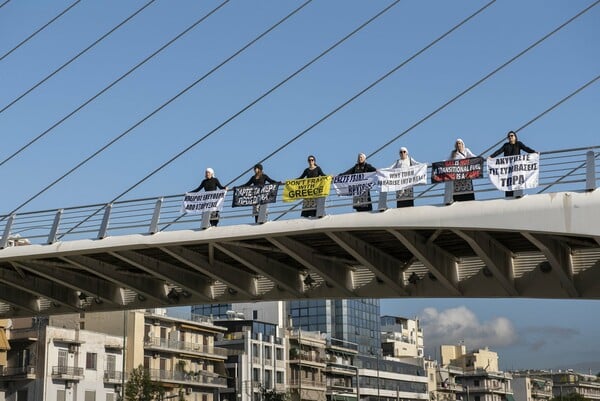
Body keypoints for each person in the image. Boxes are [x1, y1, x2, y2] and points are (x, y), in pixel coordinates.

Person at [490, 130, 536, 197]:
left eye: (511, 135)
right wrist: (491, 157)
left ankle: (518, 195)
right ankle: (508, 196)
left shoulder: (518, 144)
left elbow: (526, 149)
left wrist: (534, 152)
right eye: (509, 136)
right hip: (508, 168)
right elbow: (499, 151)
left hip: (516, 168)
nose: (510, 137)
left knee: (517, 179)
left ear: (515, 137)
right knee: (508, 181)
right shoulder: (506, 145)